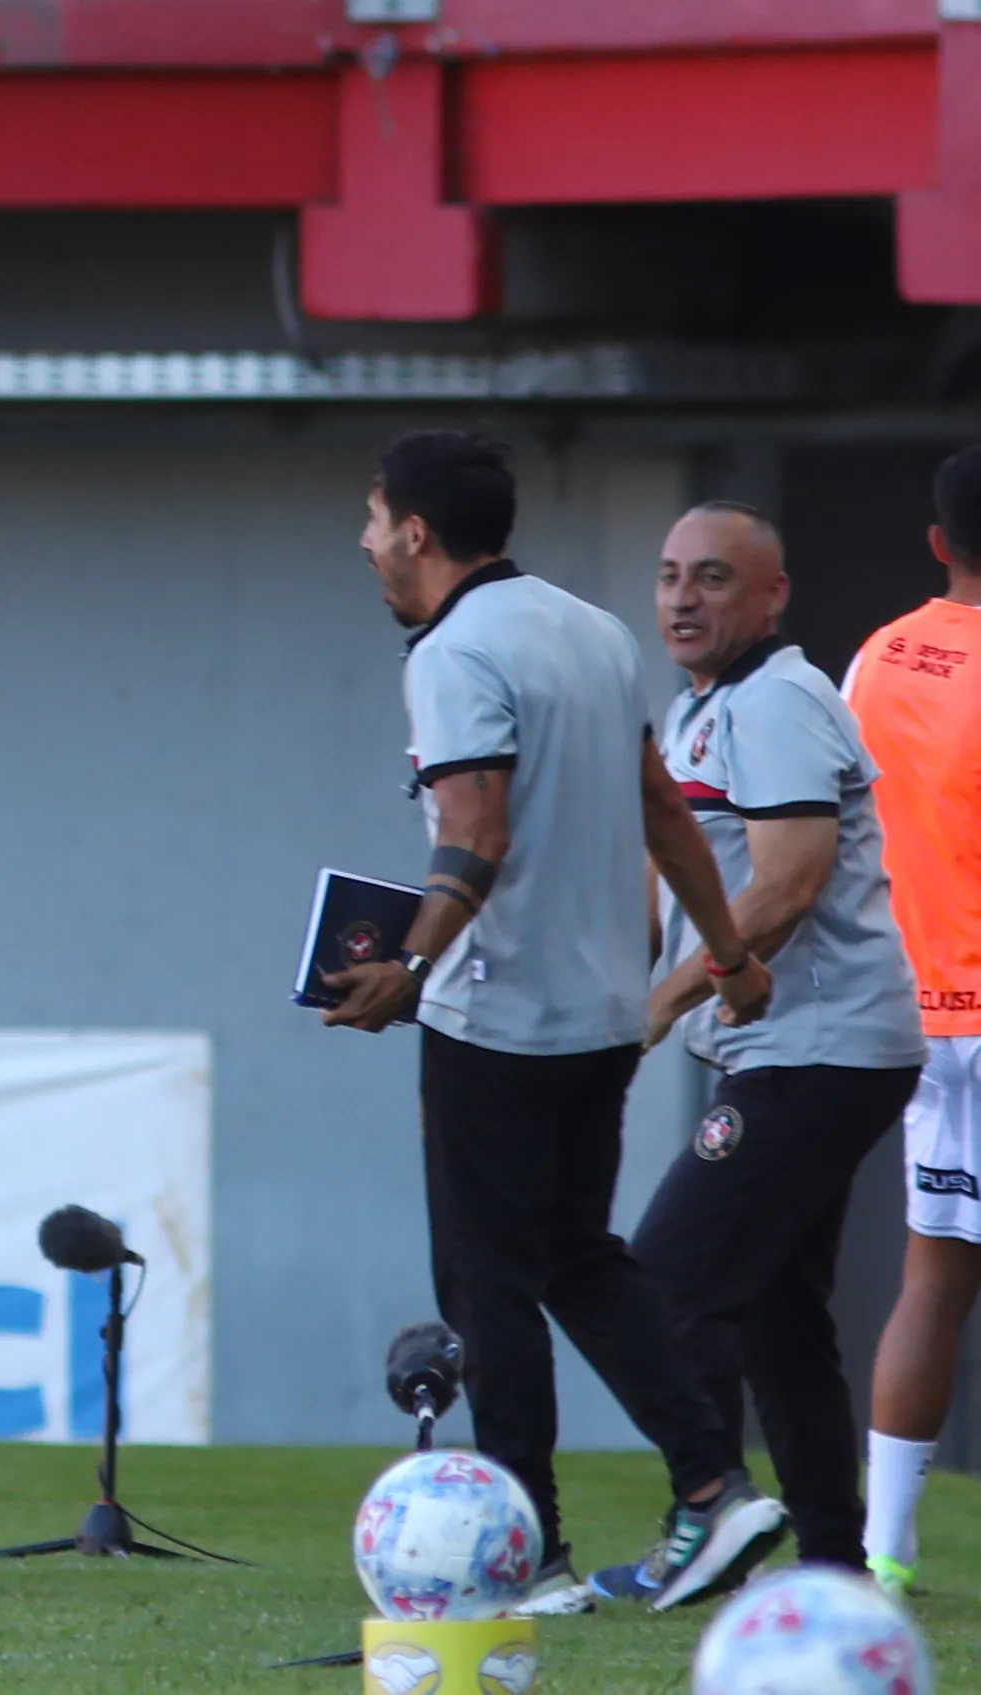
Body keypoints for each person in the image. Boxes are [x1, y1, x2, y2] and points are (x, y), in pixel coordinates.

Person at [321, 432, 787, 1615]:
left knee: (485, 1281)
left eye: (373, 521)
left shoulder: (452, 649)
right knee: (578, 1257)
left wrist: (411, 967)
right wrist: (723, 952)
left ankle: (526, 1559)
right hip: (596, 1012)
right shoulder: (588, 628)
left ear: (416, 533)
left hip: (496, 1009)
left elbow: (472, 830)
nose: (365, 543)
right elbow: (659, 812)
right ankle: (711, 1484)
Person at [565, 503, 923, 1601]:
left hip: (819, 1048)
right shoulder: (697, 711)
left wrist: (661, 1004)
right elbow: (673, 879)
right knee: (773, 1317)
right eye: (670, 575)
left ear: (771, 596)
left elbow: (786, 881)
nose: (680, 598)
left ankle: (705, 1520)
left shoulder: (775, 702)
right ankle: (829, 1560)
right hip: (790, 1048)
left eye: (712, 578)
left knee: (666, 1284)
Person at [850, 445, 981, 1598]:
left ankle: (883, 1549)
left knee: (931, 1279)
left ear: (937, 541)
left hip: (915, 1011)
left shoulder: (877, 656)